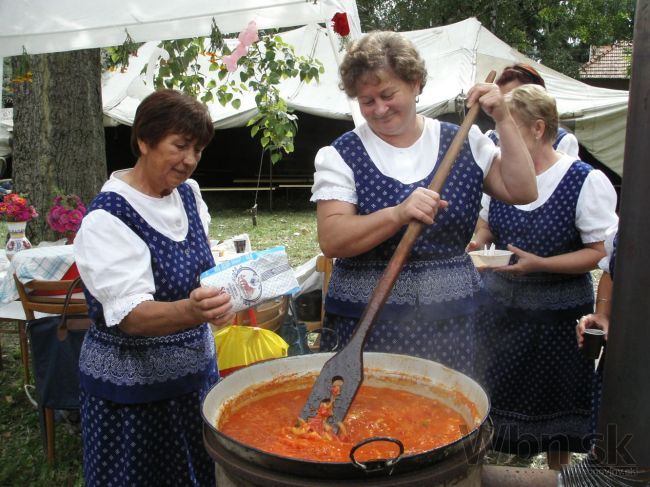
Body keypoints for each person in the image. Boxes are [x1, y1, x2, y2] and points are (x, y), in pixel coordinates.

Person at [311, 31, 537, 378]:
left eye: (388, 94)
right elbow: (332, 239)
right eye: (366, 100)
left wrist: (503, 118)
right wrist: (397, 214)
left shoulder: (464, 141)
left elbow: (523, 190)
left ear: (415, 83)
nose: (379, 109)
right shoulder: (341, 154)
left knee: (446, 419)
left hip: (451, 319)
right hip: (366, 320)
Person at [74, 90, 234, 486]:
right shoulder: (107, 218)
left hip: (194, 381)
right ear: (144, 141)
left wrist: (223, 295)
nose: (190, 160)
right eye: (180, 146)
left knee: (196, 473)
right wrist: (194, 311)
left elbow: (200, 271)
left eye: (197, 149)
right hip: (132, 394)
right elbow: (132, 317)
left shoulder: (188, 195)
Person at [472, 84, 618, 469]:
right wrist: (475, 243)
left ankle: (558, 476)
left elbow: (602, 253)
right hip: (499, 313)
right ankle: (484, 474)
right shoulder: (504, 175)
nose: (502, 141)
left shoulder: (584, 181)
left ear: (538, 129)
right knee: (490, 404)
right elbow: (486, 227)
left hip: (558, 318)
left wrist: (541, 263)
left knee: (557, 413)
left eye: (510, 129)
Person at [485, 63, 580, 158]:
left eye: (516, 100)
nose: (507, 108)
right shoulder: (490, 138)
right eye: (502, 102)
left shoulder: (562, 141)